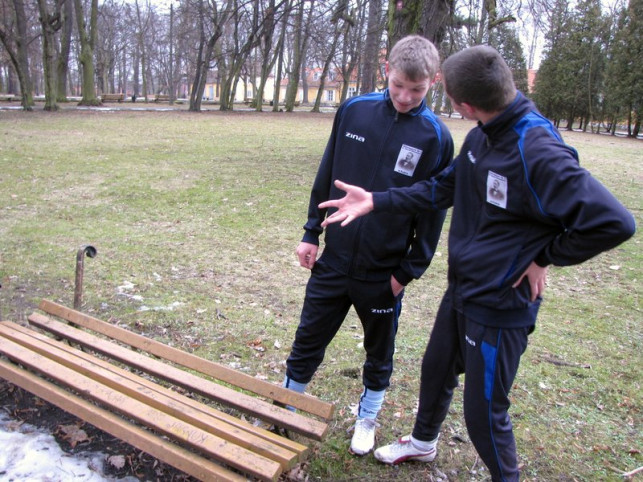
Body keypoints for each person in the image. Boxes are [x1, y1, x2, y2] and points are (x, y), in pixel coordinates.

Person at [319, 45, 636, 480]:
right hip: (463, 288)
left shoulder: (536, 148)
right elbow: (438, 190)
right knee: (436, 371)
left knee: (484, 412)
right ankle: (424, 443)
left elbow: (615, 222)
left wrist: (545, 255)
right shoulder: (482, 135)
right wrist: (375, 200)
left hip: (501, 302)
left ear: (464, 104)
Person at [283, 35, 454, 456]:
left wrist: (405, 273)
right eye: (398, 85)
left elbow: (433, 211)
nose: (405, 96)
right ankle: (286, 407)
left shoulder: (436, 137)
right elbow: (327, 173)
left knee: (379, 351)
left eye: (417, 90)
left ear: (433, 81)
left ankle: (368, 417)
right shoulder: (354, 110)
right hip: (334, 260)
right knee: (307, 338)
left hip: (383, 272)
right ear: (387, 70)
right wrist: (311, 232)